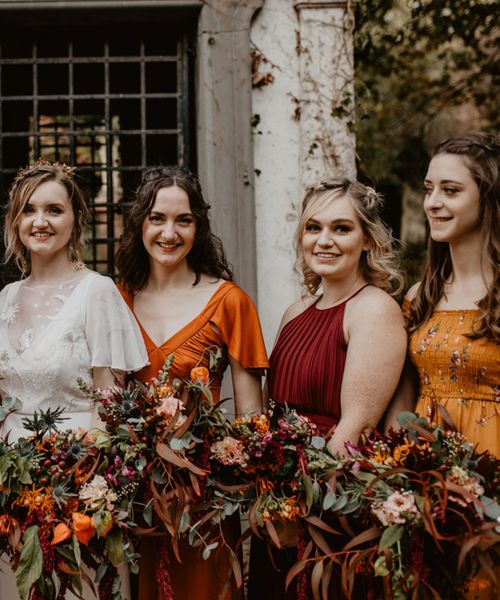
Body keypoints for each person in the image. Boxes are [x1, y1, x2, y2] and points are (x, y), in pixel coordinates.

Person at [247, 177, 407, 599]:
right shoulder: (294, 312)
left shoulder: (374, 309)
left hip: (331, 507)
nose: (324, 241)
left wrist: (297, 508)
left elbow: (354, 427)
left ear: (367, 240)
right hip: (279, 498)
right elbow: (272, 415)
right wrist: (268, 496)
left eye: (342, 228)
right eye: (313, 228)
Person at [115, 165, 269, 600]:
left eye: (183, 220)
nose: (170, 232)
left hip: (205, 494)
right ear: (140, 224)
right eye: (157, 218)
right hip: (134, 492)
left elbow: (250, 415)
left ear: (198, 228)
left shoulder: (230, 302)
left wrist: (235, 479)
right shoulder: (118, 299)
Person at [0, 160, 149, 599]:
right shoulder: (6, 297)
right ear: (15, 221)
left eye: (53, 210)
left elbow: (110, 402)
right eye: (28, 210)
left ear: (75, 219)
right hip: (12, 487)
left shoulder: (96, 292)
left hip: (77, 486)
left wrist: (95, 490)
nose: (40, 221)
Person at [386, 132, 499, 458]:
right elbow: (404, 400)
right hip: (427, 480)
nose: (432, 202)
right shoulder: (421, 296)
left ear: (489, 197)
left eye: (450, 190)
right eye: (428, 189)